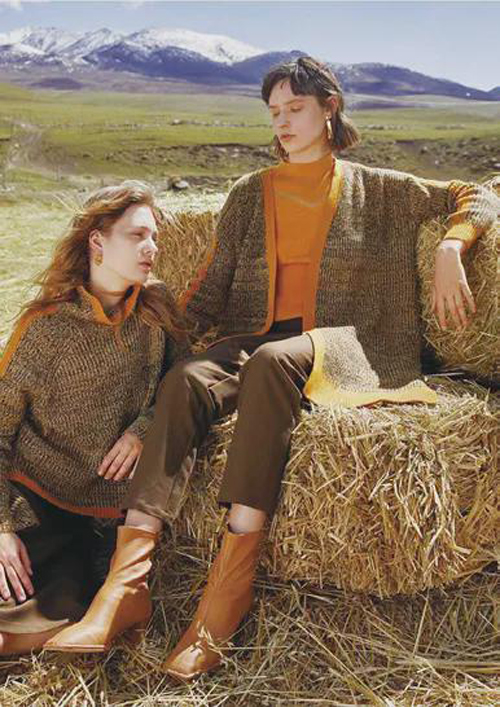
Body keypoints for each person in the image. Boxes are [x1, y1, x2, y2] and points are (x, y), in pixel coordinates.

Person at [46, 57, 497, 677]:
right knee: (188, 380)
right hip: (256, 337)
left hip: (343, 344)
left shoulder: (383, 188)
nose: (283, 122)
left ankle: (225, 598)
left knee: (270, 363)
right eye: (275, 112)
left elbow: (477, 195)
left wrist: (450, 244)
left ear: (329, 109)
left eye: (296, 109)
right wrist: (145, 333)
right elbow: (210, 289)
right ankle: (124, 588)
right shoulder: (249, 194)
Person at [0, 180, 186, 655]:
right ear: (97, 242)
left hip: (96, 519)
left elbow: (185, 380)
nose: (151, 248)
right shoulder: (46, 327)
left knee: (66, 618)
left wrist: (144, 428)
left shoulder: (155, 309)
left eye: (154, 237)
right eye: (137, 235)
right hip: (31, 501)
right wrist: (1, 530)